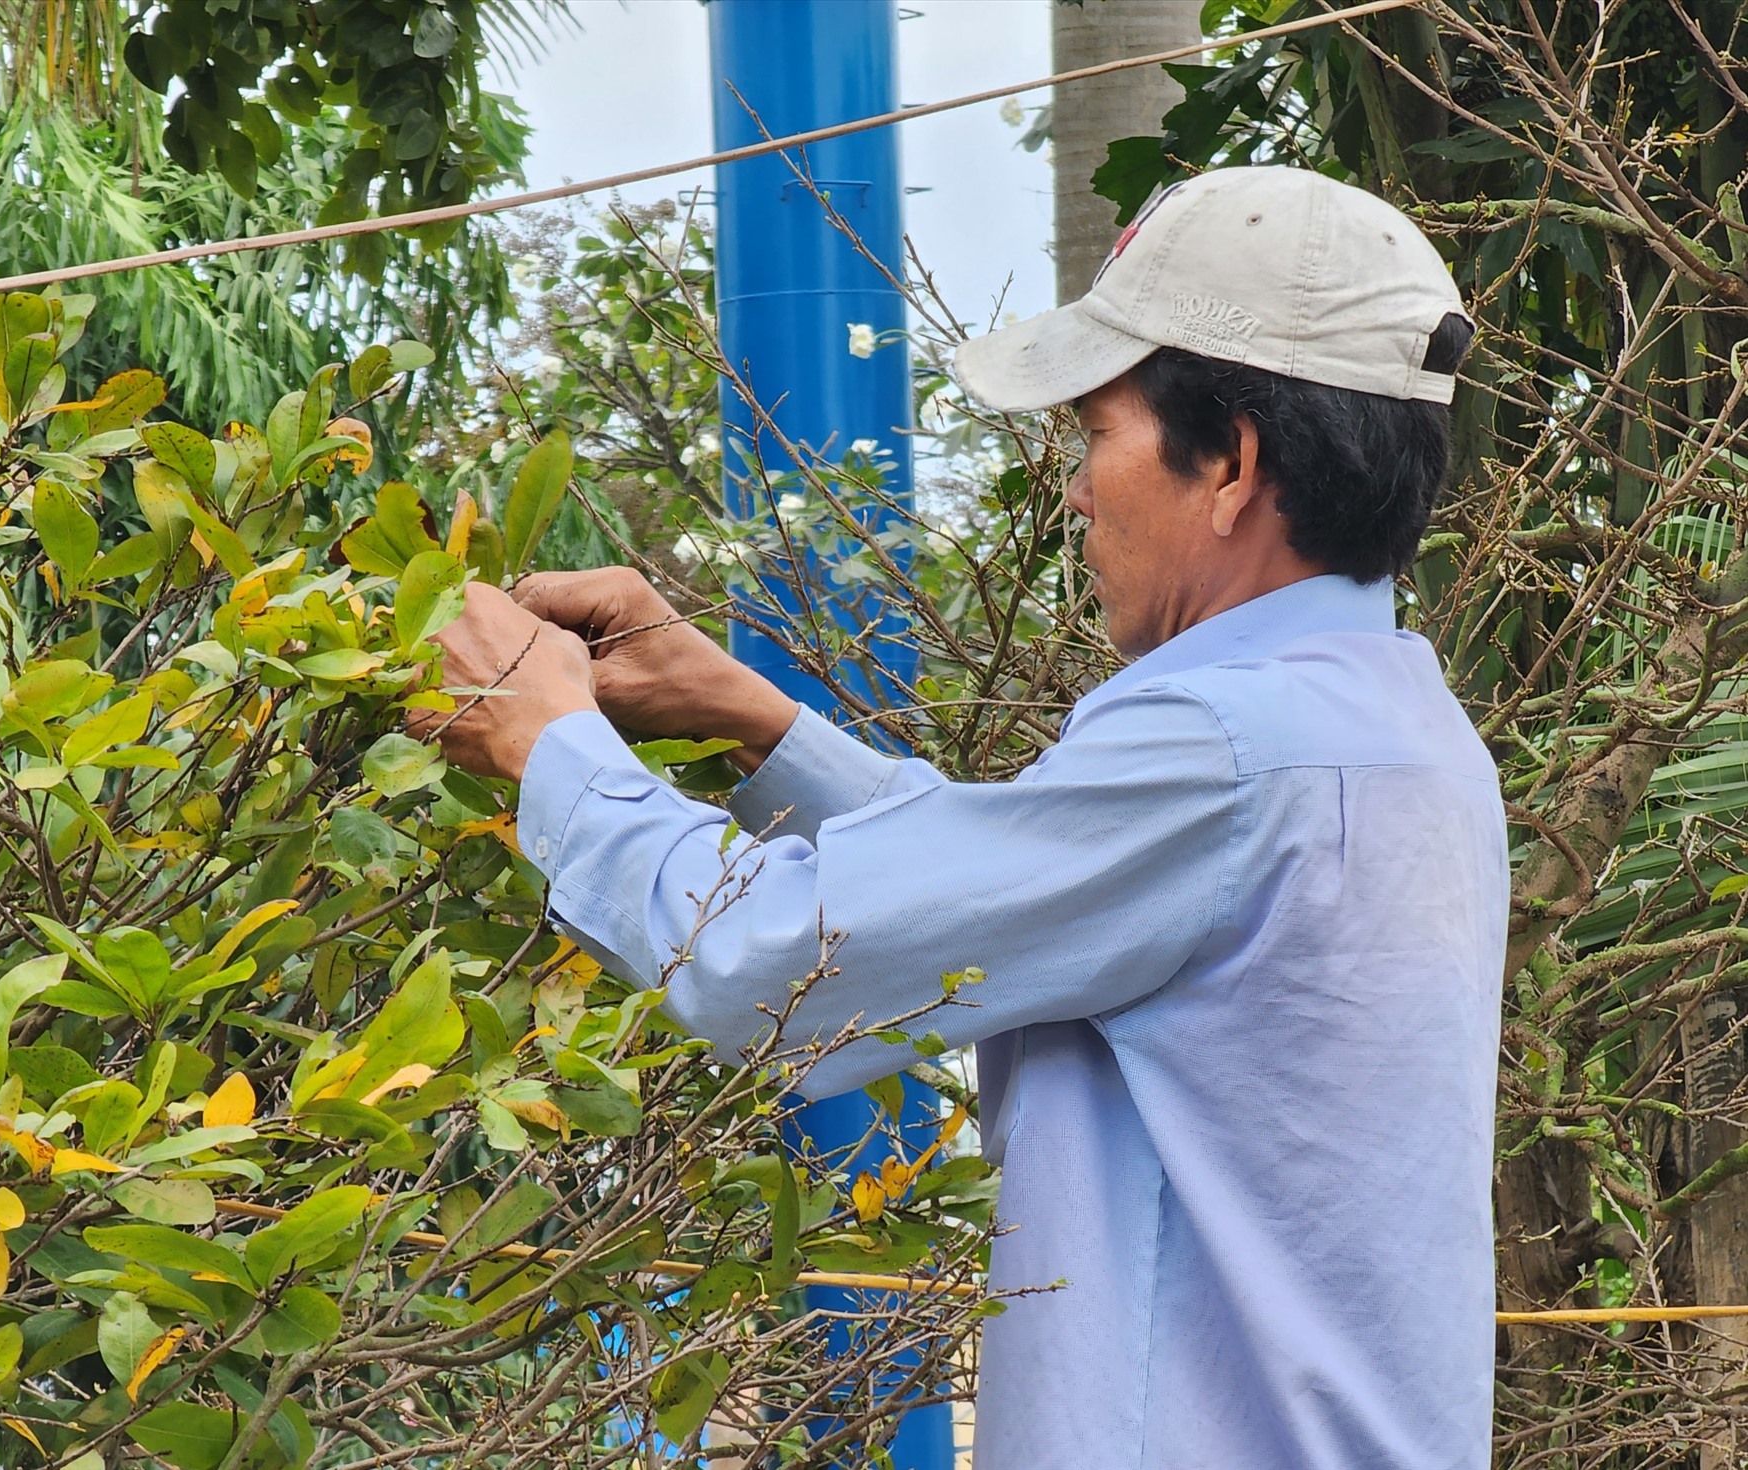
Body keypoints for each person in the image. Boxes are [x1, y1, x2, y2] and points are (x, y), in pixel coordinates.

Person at [410, 166, 1507, 1469]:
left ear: (1232, 461)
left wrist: (550, 743)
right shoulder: (1394, 731)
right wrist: (756, 722)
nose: (1079, 489)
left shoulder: (1221, 750)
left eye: (1096, 434)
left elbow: (766, 957)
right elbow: (1024, 880)